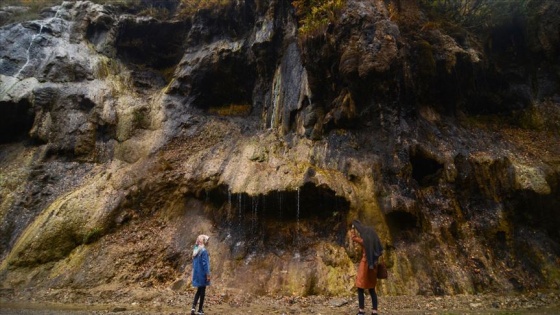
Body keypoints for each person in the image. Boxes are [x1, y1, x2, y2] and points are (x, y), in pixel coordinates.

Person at [350, 219, 383, 315]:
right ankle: (374, 311)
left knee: (360, 287)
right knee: (372, 289)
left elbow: (353, 237)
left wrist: (352, 228)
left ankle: (361, 311)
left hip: (365, 265)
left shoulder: (364, 242)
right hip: (374, 267)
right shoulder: (376, 242)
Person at [191, 234, 210, 315]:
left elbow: (194, 264)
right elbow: (205, 264)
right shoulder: (204, 251)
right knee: (202, 292)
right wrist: (208, 274)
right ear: (203, 241)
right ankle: (200, 310)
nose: (207, 242)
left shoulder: (195, 250)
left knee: (198, 291)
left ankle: (193, 308)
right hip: (202, 274)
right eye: (206, 240)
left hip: (197, 273)